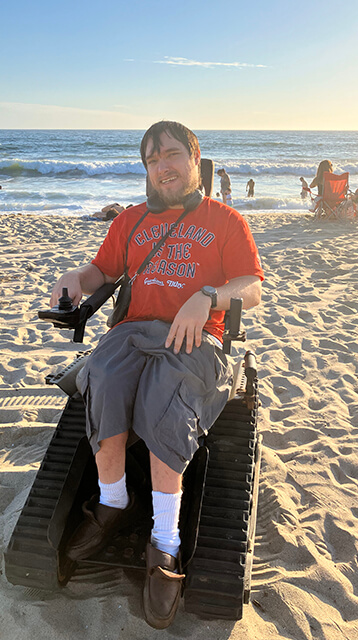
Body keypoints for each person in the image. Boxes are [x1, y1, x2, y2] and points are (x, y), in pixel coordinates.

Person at [50, 121, 263, 629]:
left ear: (193, 158)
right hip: (131, 331)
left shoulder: (224, 220)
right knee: (101, 378)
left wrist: (209, 296)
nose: (162, 166)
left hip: (194, 336)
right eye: (152, 160)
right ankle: (114, 501)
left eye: (171, 155)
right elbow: (101, 273)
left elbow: (252, 286)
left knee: (166, 398)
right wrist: (74, 280)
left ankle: (165, 544)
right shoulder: (130, 221)